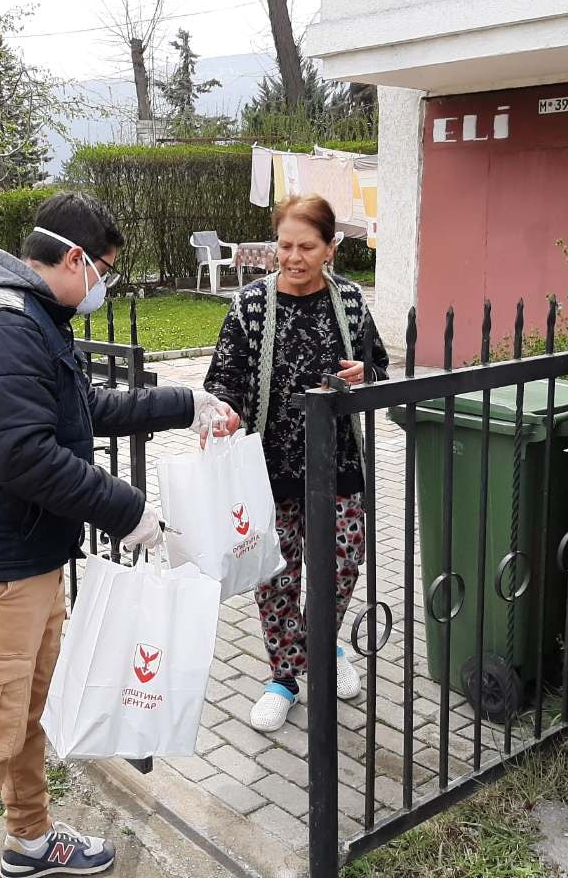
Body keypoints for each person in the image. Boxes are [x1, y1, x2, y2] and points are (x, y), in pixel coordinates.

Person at [0, 191, 237, 878]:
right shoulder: (4, 327)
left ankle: (30, 841)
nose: (105, 284)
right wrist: (129, 513)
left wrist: (188, 403)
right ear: (73, 258)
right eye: (104, 270)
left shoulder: (36, 316)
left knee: (25, 719)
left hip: (26, 562)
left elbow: (80, 408)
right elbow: (28, 456)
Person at [204, 194, 389, 733]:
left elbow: (376, 366)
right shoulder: (251, 306)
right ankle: (284, 678)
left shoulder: (351, 303)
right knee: (277, 577)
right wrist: (226, 415)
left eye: (307, 246)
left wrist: (365, 375)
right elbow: (222, 382)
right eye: (285, 245)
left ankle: (324, 646)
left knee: (344, 562)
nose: (293, 257)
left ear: (330, 249)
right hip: (270, 467)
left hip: (338, 463)